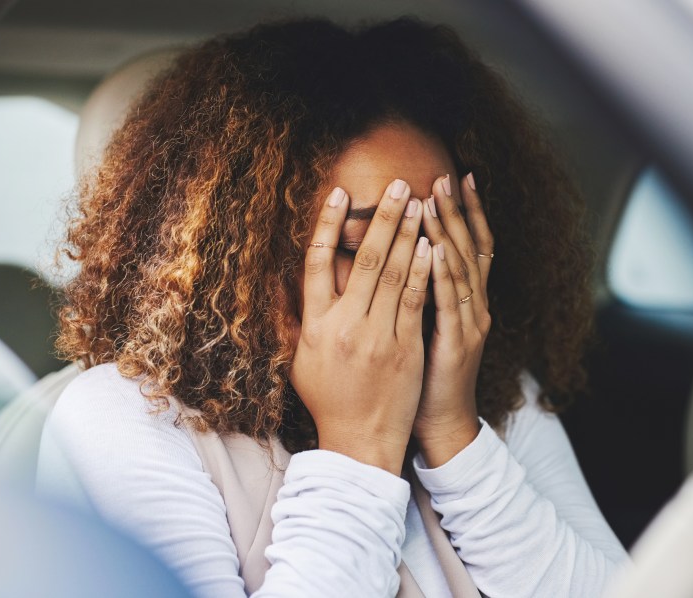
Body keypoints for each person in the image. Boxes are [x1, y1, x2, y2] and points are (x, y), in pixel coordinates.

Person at [38, 17, 629, 598]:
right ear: (242, 254)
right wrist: (358, 446)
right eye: (363, 246)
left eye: (443, 241)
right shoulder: (126, 418)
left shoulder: (499, 394)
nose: (418, 277)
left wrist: (454, 434)